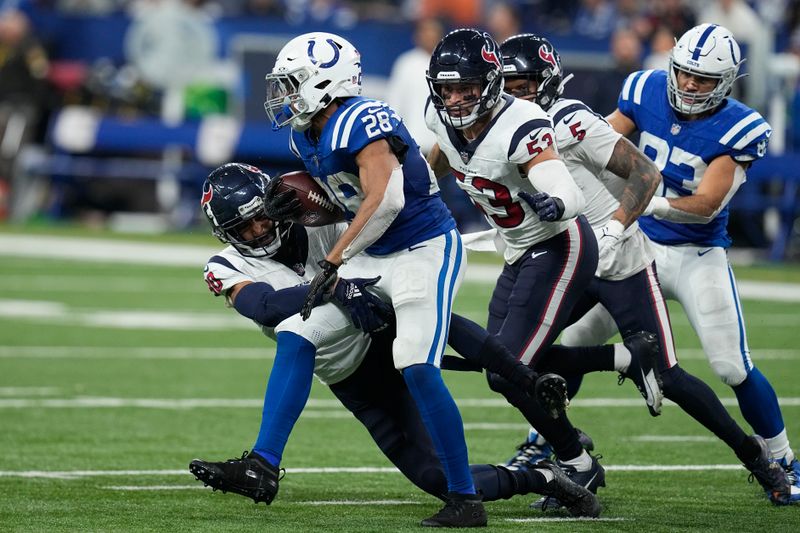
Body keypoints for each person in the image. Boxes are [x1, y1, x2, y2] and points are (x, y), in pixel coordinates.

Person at [188, 163, 601, 521]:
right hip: (351, 377)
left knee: (404, 315)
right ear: (225, 233)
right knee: (436, 478)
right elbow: (264, 305)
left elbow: (380, 211)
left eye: (260, 216)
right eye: (243, 227)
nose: (258, 230)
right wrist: (334, 287)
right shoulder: (227, 264)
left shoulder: (320, 218)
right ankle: (543, 477)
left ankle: (263, 463)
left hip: (378, 326)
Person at [494, 32, 792, 507]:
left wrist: (645, 206)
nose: (691, 85)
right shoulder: (645, 88)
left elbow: (708, 204)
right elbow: (602, 146)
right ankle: (546, 442)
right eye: (686, 72)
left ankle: (783, 460)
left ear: (728, 82)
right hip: (630, 239)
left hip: (693, 252)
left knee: (730, 365)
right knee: (571, 342)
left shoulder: (741, 126)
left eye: (704, 78)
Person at [260, 31, 490, 527]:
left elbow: (386, 201)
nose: (283, 94)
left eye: (292, 83)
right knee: (298, 332)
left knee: (415, 363)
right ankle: (262, 463)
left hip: (422, 248)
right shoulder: (306, 132)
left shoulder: (364, 117)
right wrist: (306, 212)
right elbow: (346, 202)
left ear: (325, 81)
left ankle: (465, 498)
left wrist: (334, 260)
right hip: (372, 251)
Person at [424, 28, 662, 502]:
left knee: (504, 367)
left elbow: (563, 184)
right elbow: (442, 156)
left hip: (559, 246)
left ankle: (575, 460)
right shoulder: (439, 117)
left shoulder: (523, 122)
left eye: (466, 88)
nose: (455, 99)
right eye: (446, 88)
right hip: (517, 249)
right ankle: (613, 378)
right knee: (503, 365)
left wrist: (560, 202)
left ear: (490, 84)